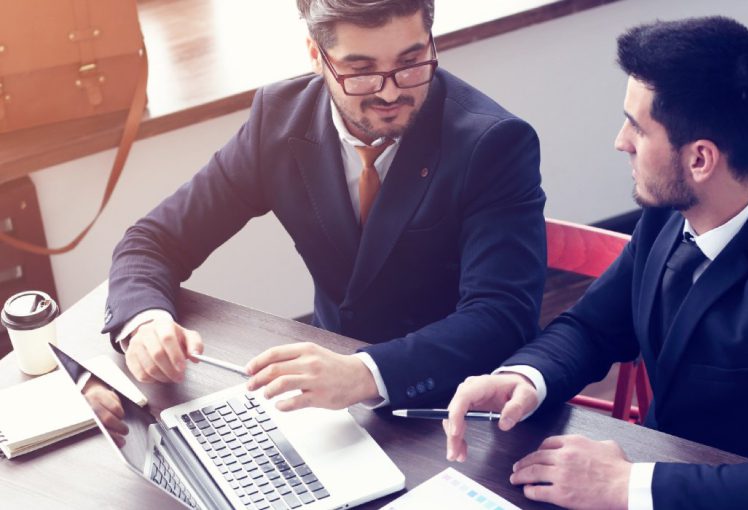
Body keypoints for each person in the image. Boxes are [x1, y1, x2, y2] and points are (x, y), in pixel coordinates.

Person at [103, 0, 546, 412]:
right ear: (316, 55)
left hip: (457, 401)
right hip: (323, 393)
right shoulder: (277, 119)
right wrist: (145, 320)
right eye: (361, 71)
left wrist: (365, 372)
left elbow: (501, 316)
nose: (390, 92)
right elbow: (154, 241)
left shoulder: (494, 143)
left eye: (411, 63)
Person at [444, 16, 748, 510]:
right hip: (662, 458)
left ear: (700, 160)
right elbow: (593, 327)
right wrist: (524, 379)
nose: (620, 141)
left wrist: (625, 485)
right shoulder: (666, 213)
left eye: (637, 127)